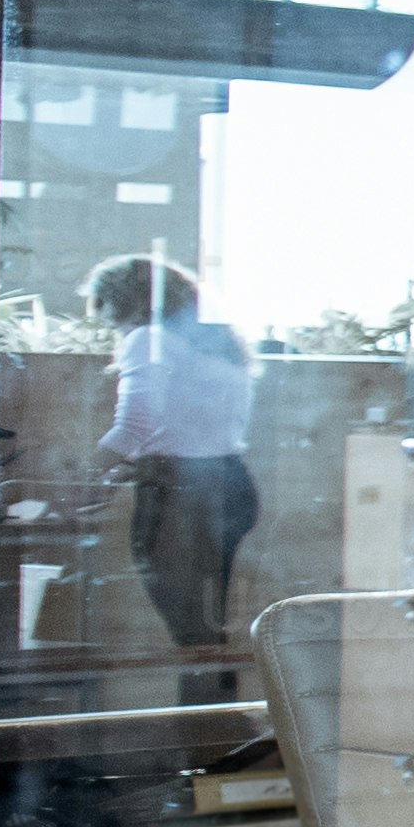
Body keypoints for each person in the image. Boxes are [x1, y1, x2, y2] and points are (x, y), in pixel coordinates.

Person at [90, 252, 262, 653]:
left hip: (182, 494)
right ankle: (214, 713)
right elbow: (191, 429)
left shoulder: (148, 339)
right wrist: (129, 468)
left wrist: (82, 476)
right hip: (229, 481)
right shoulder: (220, 347)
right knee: (206, 625)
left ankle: (208, 716)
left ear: (122, 299)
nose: (103, 318)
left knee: (192, 630)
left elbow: (135, 424)